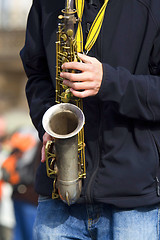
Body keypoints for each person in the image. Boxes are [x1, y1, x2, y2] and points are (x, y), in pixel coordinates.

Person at [20, 0, 160, 239]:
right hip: (58, 200)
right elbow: (37, 74)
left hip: (132, 203)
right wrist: (47, 118)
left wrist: (108, 81)